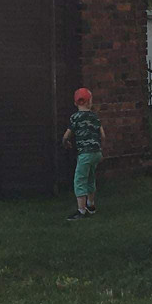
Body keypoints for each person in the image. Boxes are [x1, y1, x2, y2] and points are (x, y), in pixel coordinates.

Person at [62, 87, 105, 221]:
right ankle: (91, 205)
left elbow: (66, 136)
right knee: (91, 177)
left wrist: (65, 143)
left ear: (76, 103)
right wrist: (100, 147)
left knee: (80, 180)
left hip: (84, 154)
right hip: (96, 153)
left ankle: (81, 211)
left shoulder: (75, 118)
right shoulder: (94, 117)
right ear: (89, 102)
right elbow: (103, 135)